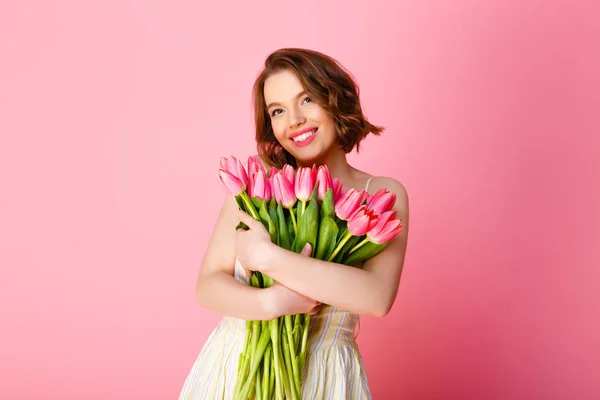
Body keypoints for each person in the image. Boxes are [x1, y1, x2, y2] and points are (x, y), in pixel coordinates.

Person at [179, 48, 409, 399]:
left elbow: (376, 298)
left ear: (335, 98)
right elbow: (208, 285)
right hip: (234, 369)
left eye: (307, 99)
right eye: (278, 111)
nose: (294, 120)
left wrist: (268, 258)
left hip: (324, 377)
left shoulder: (378, 194)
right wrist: (270, 304)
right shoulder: (259, 179)